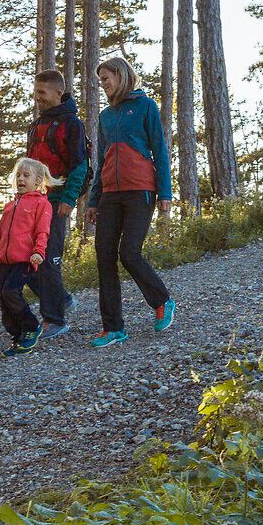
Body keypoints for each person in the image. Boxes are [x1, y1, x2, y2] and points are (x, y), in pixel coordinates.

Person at [83, 55, 175, 348]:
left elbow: (160, 149)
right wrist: (94, 200)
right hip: (110, 194)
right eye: (100, 81)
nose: (103, 84)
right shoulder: (105, 117)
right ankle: (113, 328)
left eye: (106, 78)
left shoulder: (145, 106)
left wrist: (165, 192)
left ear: (121, 75)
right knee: (104, 257)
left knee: (129, 252)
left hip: (140, 190)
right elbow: (102, 160)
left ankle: (161, 300)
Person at [25, 68, 90, 336]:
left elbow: (80, 165)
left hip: (55, 201)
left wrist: (69, 198)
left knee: (47, 257)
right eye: (35, 92)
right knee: (23, 259)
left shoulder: (72, 124)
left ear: (58, 93)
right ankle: (60, 298)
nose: (37, 97)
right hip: (31, 201)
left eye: (42, 92)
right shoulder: (36, 125)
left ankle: (55, 320)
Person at [0, 157, 56, 356]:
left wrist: (38, 251)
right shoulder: (9, 206)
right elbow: (0, 234)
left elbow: (42, 231)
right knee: (5, 303)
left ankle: (31, 326)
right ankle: (18, 337)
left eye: (26, 175)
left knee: (11, 292)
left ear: (38, 181)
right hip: (5, 261)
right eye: (18, 175)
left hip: (25, 259)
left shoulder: (41, 204)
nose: (21, 179)